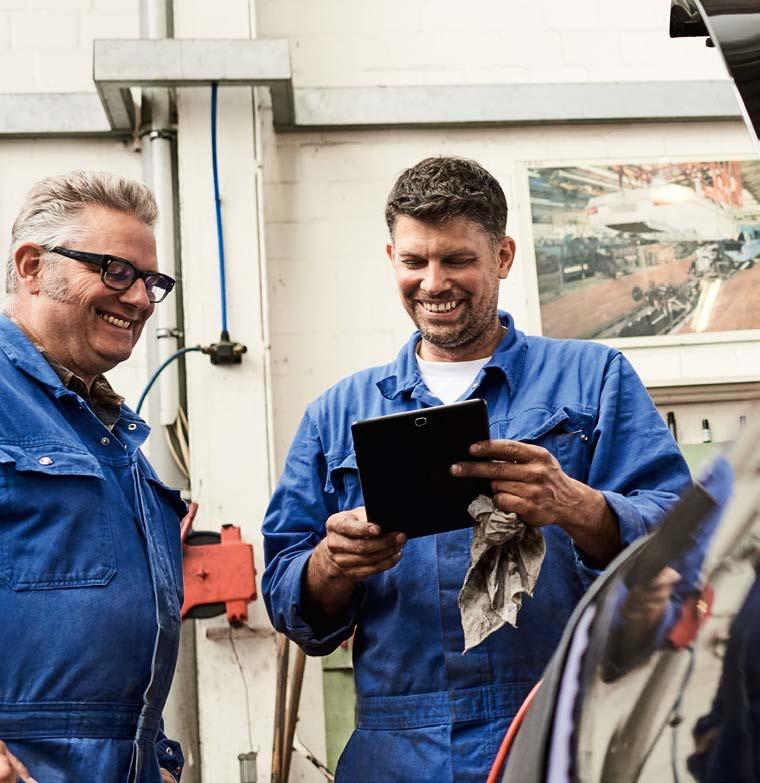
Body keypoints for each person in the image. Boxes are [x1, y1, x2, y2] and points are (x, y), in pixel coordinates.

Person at [262, 156, 691, 782]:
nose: (434, 282)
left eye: (457, 259)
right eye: (414, 262)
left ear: (503, 256)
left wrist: (577, 505)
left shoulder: (593, 379)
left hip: (556, 730)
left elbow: (682, 539)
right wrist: (332, 564)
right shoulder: (336, 414)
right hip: (397, 750)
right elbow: (286, 596)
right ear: (392, 260)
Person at [0, 171, 186, 783]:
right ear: (32, 267)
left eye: (150, 281)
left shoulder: (111, 434)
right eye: (115, 270)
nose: (138, 299)